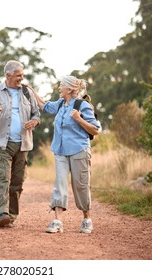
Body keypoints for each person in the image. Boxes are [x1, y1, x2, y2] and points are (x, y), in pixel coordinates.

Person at [30, 75, 100, 234]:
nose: (59, 88)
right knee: (59, 184)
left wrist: (79, 119)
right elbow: (44, 105)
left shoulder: (82, 105)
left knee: (80, 186)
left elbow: (95, 129)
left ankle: (86, 219)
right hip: (60, 150)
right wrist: (29, 88)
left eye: (61, 86)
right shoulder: (61, 103)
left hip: (79, 150)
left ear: (69, 89)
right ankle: (57, 221)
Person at [0, 60, 41, 228]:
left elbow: (37, 114)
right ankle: (1, 213)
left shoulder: (27, 92)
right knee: (2, 178)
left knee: (17, 182)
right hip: (1, 143)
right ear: (8, 75)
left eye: (22, 75)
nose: (22, 78)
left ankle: (11, 216)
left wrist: (34, 122)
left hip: (23, 144)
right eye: (18, 75)